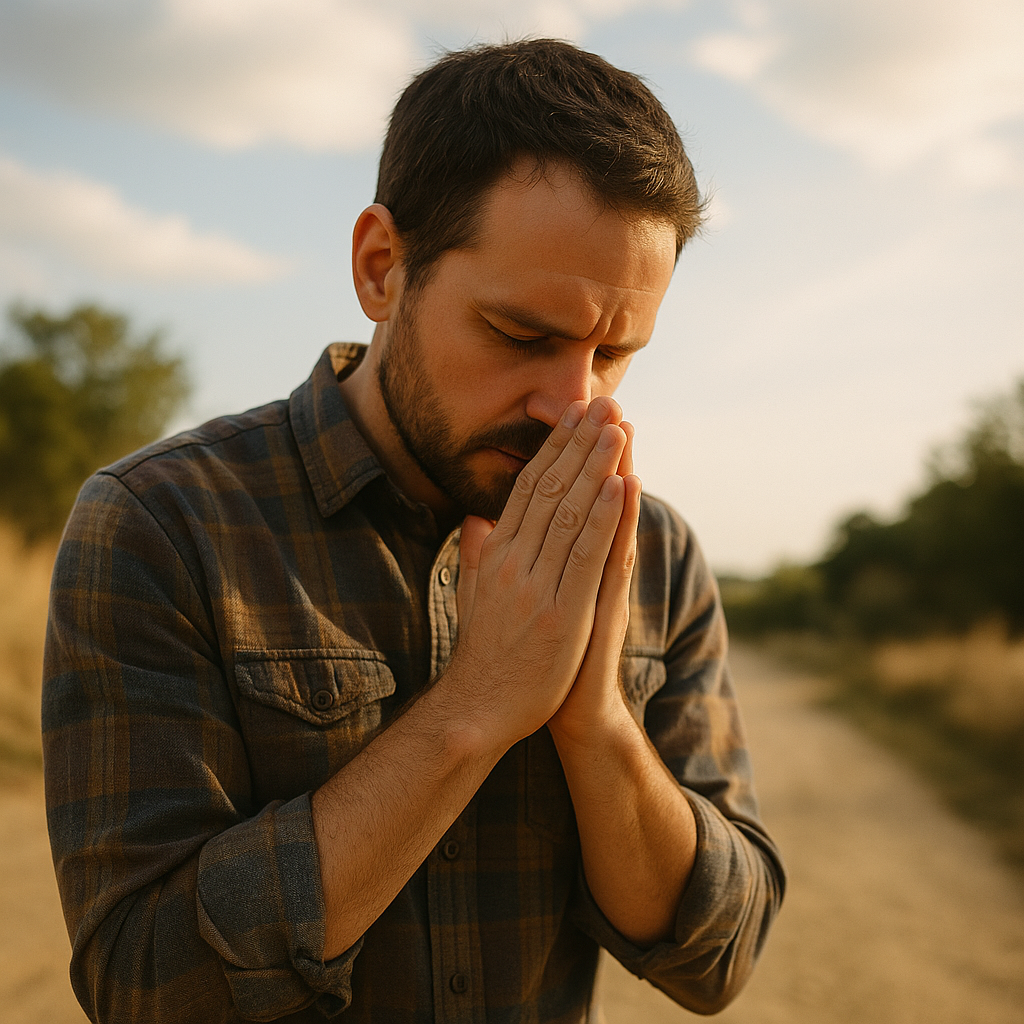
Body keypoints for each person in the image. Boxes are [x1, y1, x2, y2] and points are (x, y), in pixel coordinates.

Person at [43, 39, 784, 1023]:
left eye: (614, 353)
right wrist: (476, 705)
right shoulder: (162, 524)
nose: (574, 404)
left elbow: (717, 957)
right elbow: (146, 984)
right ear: (382, 266)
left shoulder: (655, 554)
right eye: (523, 335)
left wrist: (593, 718)